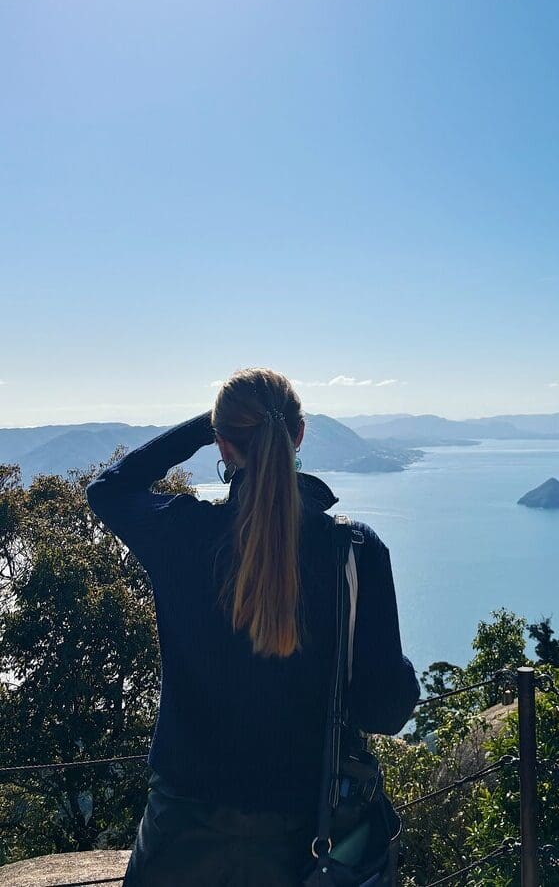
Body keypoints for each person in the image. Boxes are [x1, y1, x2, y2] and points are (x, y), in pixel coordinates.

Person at [86, 368, 420, 887]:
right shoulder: (353, 552)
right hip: (307, 840)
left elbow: (108, 490)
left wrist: (206, 426)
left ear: (222, 444)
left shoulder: (181, 532)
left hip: (183, 828)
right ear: (300, 435)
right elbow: (386, 710)